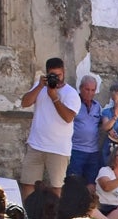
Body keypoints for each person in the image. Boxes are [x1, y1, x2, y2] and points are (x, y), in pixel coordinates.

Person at [19, 58, 80, 200]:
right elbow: (24, 103)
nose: (56, 79)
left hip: (58, 148)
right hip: (36, 145)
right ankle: (29, 217)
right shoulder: (39, 86)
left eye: (58, 75)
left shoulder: (71, 94)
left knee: (56, 188)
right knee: (28, 184)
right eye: (53, 75)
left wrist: (54, 98)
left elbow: (68, 117)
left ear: (64, 72)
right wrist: (40, 86)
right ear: (46, 74)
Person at [68, 75, 104, 184]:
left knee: (91, 184)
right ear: (80, 88)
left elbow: (101, 124)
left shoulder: (97, 106)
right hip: (76, 150)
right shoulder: (74, 103)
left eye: (93, 90)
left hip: (93, 152)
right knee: (73, 183)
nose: (90, 93)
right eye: (87, 89)